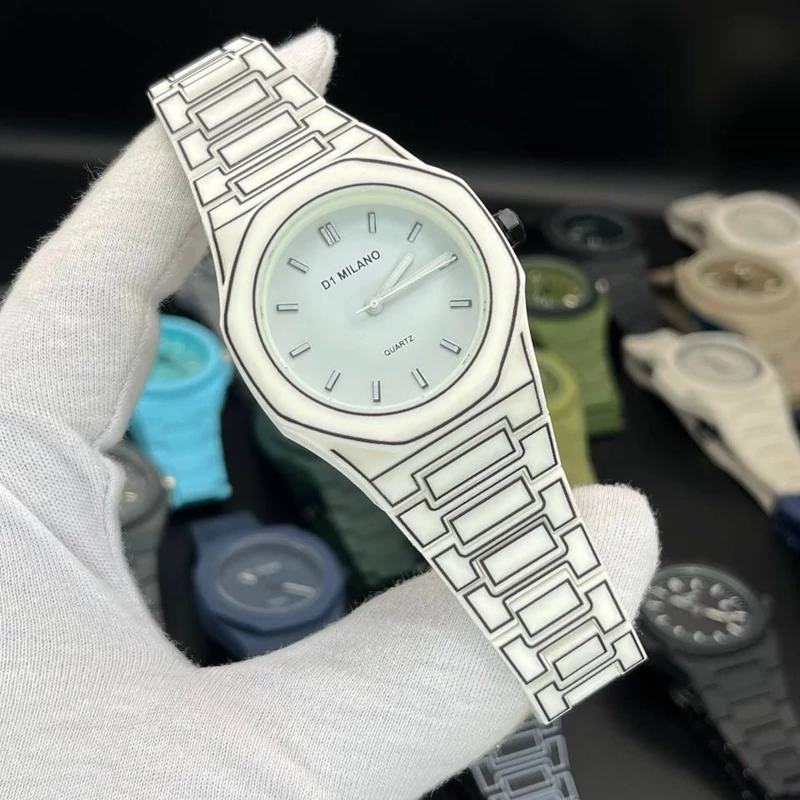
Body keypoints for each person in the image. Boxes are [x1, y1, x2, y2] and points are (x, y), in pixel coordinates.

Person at [0, 28, 659, 799]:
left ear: (488, 238)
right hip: (398, 427)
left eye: (376, 294)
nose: (371, 304)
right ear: (252, 349)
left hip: (480, 388)